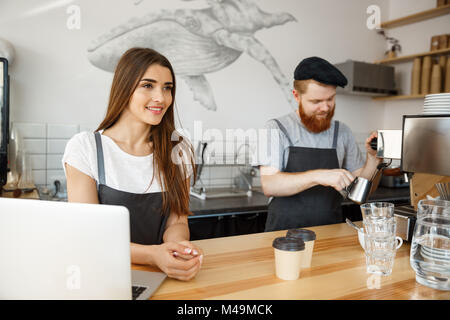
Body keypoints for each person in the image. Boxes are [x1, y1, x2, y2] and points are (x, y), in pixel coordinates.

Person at [63, 47, 203, 281]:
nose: (161, 97)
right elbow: (88, 235)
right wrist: (153, 255)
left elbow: (177, 220)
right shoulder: (85, 148)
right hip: (102, 277)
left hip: (161, 276)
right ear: (125, 88)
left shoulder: (178, 148)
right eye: (148, 85)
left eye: (167, 88)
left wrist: (178, 250)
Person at [259, 56, 382, 231]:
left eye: (330, 99)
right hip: (284, 236)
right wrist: (319, 176)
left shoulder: (342, 132)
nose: (325, 108)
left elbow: (361, 193)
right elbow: (270, 184)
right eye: (316, 101)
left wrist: (373, 160)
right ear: (296, 96)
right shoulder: (276, 129)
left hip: (330, 234)